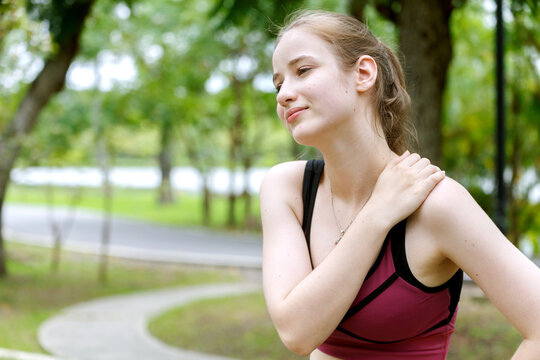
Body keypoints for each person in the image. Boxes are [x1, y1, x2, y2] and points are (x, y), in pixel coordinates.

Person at [259, 9, 540, 360]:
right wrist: (377, 214)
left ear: (363, 73)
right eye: (278, 83)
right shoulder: (286, 190)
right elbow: (296, 333)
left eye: (303, 71)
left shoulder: (437, 205)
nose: (284, 93)